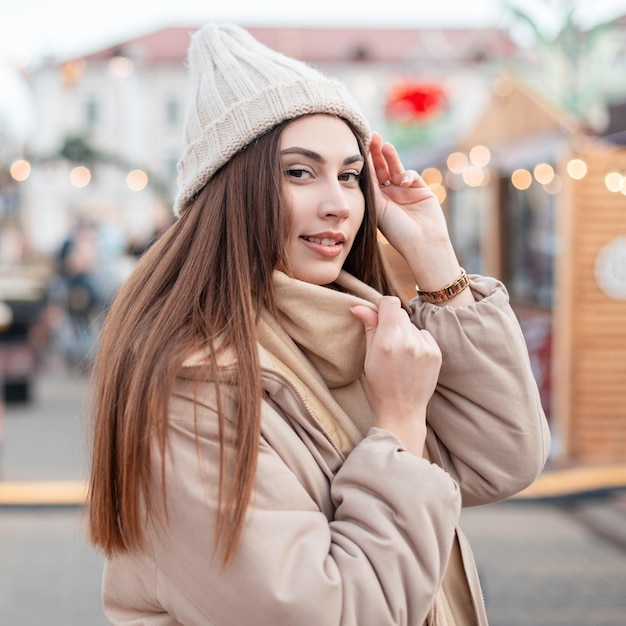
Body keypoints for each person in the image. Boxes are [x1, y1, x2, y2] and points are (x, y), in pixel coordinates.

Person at [87, 23, 550, 626]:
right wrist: (401, 425)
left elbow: (507, 457)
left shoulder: (358, 336)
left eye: (351, 174)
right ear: (233, 192)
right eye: (299, 173)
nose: (337, 201)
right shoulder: (194, 384)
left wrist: (435, 258)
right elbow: (331, 613)